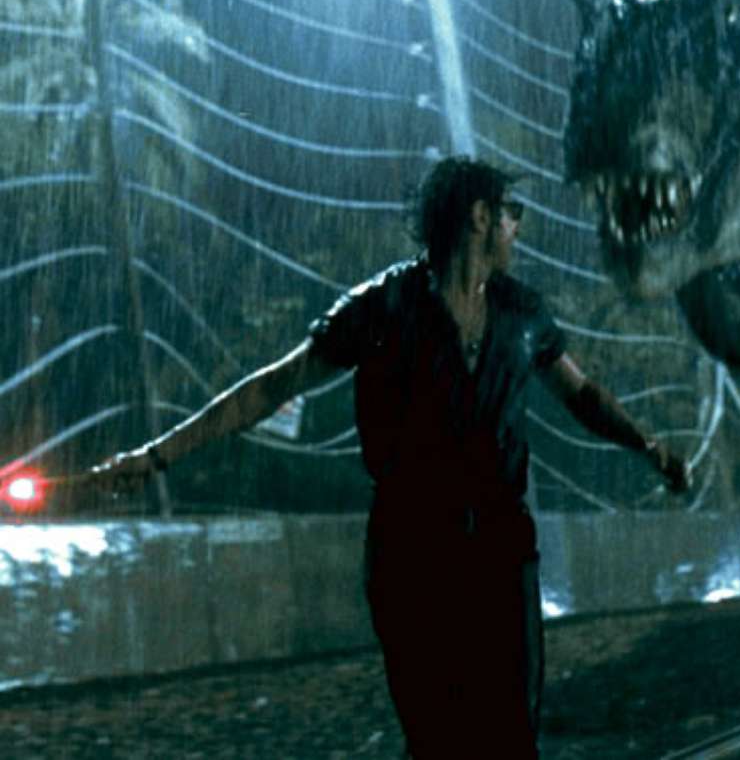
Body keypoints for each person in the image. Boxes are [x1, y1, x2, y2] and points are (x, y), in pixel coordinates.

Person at [86, 156, 690, 758]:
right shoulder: (383, 307)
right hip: (413, 554)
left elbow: (582, 395)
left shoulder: (521, 313)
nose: (518, 228)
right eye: (512, 213)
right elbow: (272, 387)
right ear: (479, 217)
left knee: (509, 734)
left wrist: (647, 446)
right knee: (436, 736)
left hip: (502, 551)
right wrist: (157, 455)